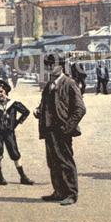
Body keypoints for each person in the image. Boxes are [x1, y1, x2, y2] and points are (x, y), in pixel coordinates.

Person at [34, 53, 86, 205]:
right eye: (48, 65)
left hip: (62, 130)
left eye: (53, 64)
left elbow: (80, 109)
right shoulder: (49, 84)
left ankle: (71, 193)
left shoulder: (69, 83)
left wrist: (68, 127)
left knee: (65, 161)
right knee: (52, 162)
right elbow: (45, 104)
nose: (50, 67)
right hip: (49, 129)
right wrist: (39, 111)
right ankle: (59, 191)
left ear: (61, 66)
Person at [0, 80, 34, 186]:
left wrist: (16, 123)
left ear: (6, 92)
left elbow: (26, 112)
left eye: (1, 92)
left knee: (15, 153)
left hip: (9, 133)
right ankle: (0, 177)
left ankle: (23, 177)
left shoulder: (13, 104)